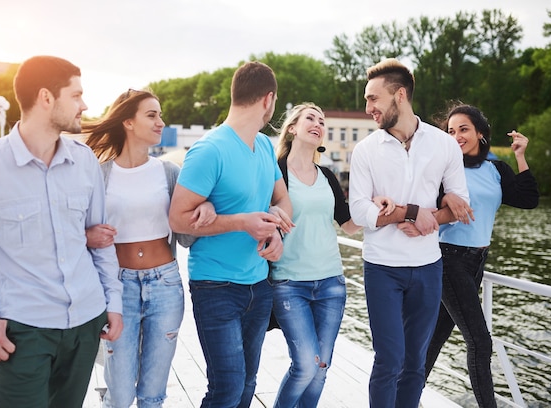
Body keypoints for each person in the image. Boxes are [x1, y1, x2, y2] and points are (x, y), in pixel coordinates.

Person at [0, 55, 123, 407]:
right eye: (76, 95)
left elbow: (100, 241)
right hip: (25, 332)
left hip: (86, 323)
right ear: (46, 98)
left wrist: (113, 302)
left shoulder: (84, 162)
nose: (84, 105)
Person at [168, 61, 293, 408]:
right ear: (268, 100)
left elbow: (282, 199)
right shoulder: (209, 150)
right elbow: (178, 218)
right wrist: (241, 222)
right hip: (216, 286)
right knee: (226, 388)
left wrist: (278, 228)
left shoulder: (266, 147)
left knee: (247, 384)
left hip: (258, 285)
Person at [348, 58, 471, 408]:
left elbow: (460, 203)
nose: (368, 107)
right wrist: (413, 212)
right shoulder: (365, 150)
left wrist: (436, 213)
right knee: (389, 360)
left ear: (399, 95)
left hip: (429, 267)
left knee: (416, 363)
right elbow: (360, 211)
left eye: (374, 99)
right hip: (381, 267)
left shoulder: (443, 144)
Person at [82, 89, 215, 408]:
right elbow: (76, 229)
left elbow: (186, 223)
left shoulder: (169, 173)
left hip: (165, 286)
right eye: (152, 115)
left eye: (160, 115)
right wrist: (87, 235)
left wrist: (206, 206)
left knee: (153, 395)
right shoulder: (100, 174)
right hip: (118, 289)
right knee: (121, 395)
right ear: (128, 121)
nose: (161, 122)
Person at [270, 102, 395, 408]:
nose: (318, 124)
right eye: (310, 118)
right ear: (292, 128)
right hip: (289, 283)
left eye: (322, 121)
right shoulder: (275, 172)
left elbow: (349, 225)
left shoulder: (326, 175)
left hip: (330, 284)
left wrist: (373, 204)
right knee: (305, 366)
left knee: (320, 368)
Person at [424, 104, 539, 407]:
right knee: (480, 341)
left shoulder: (495, 168)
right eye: (450, 131)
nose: (456, 136)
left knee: (435, 337)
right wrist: (449, 207)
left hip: (477, 262)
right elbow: (427, 212)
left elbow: (528, 199)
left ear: (480, 133)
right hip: (449, 259)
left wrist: (520, 155)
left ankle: (403, 398)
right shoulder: (445, 169)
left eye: (463, 129)